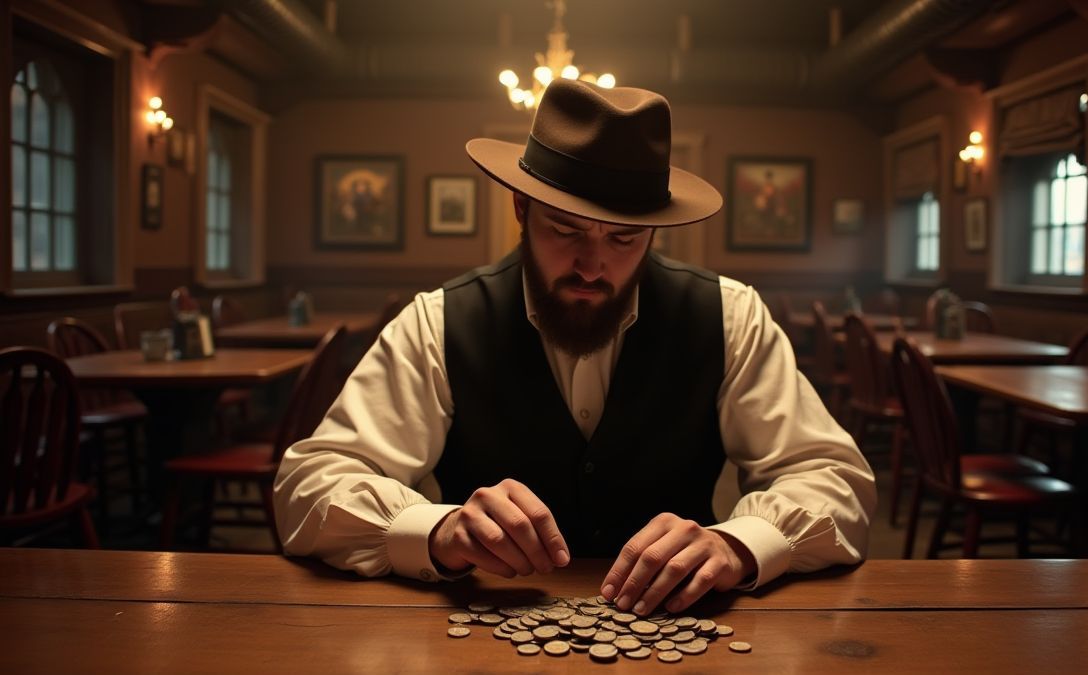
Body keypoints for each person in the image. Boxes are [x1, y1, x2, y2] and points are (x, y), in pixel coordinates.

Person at [274, 79, 875, 616]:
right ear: (521, 207)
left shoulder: (730, 316)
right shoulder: (437, 323)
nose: (592, 265)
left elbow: (835, 481)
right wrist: (438, 530)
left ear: (654, 232)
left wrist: (738, 544)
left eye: (624, 239)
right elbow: (310, 485)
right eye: (565, 230)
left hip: (680, 630)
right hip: (482, 636)